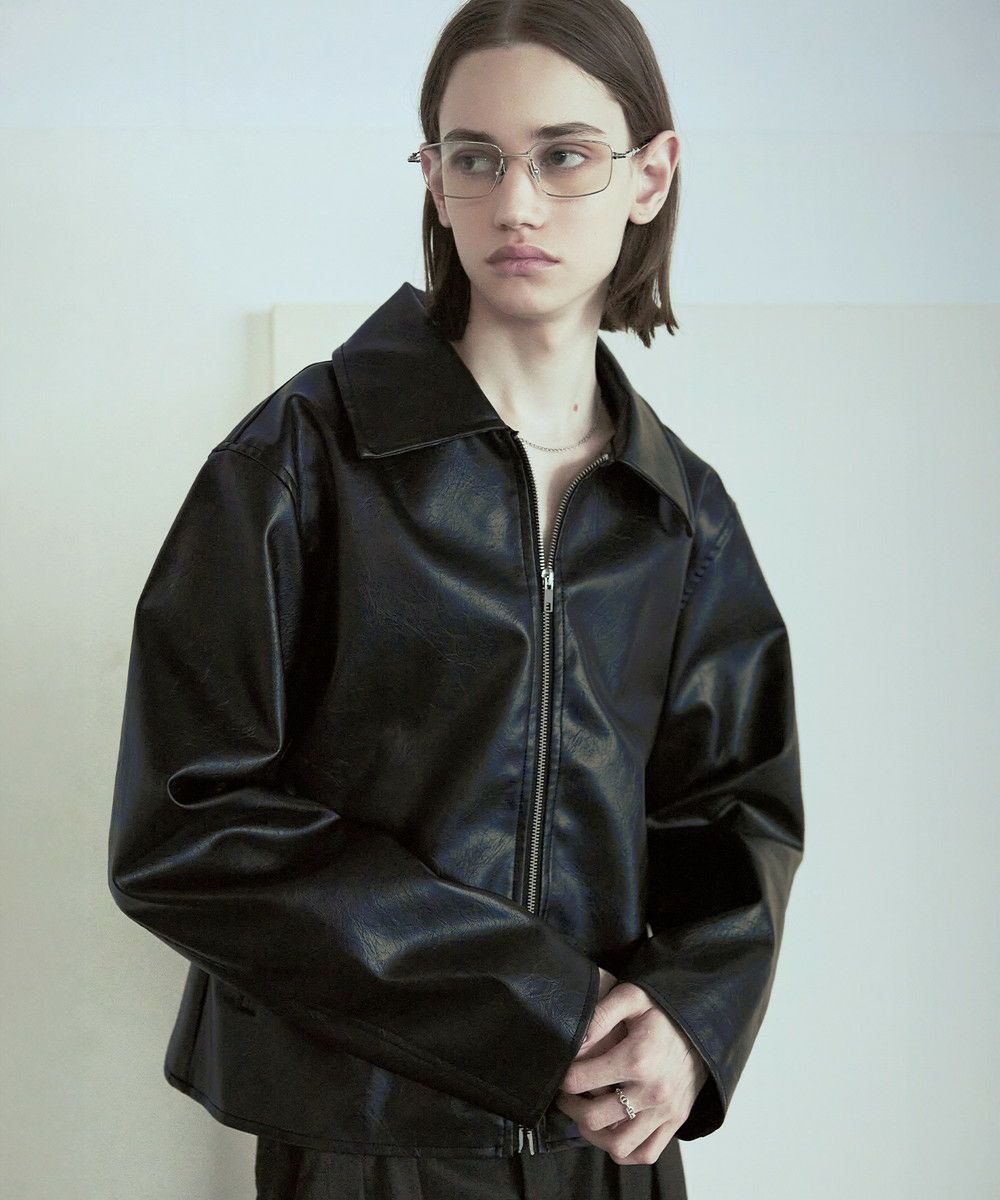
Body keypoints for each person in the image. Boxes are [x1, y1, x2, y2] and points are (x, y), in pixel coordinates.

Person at [107, 1, 805, 1197]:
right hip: (364, 1142)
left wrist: (691, 1023)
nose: (515, 204)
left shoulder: (678, 512)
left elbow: (735, 813)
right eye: (475, 158)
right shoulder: (302, 458)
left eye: (564, 156)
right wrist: (534, 1005)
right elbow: (186, 822)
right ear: (434, 180)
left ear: (650, 175)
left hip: (606, 1152)